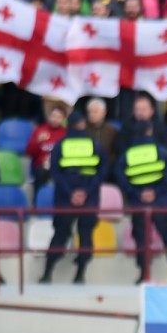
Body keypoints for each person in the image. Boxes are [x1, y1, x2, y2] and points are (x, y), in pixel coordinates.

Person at [40, 112, 108, 284]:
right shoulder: (94, 145)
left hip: (65, 197)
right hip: (88, 197)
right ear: (83, 125)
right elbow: (102, 172)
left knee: (60, 235)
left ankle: (47, 274)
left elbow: (55, 172)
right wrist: (85, 192)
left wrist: (71, 193)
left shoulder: (60, 145)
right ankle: (79, 275)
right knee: (85, 236)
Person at [115, 117, 167, 283]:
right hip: (161, 200)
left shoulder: (127, 155)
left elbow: (121, 177)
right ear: (150, 132)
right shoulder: (160, 151)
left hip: (138, 202)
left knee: (141, 240)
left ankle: (143, 275)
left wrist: (138, 194)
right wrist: (156, 192)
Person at [25, 106, 68, 203]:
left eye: (58, 117)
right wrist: (38, 142)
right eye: (53, 116)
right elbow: (29, 152)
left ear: (63, 119)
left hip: (60, 165)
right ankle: (37, 204)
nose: (55, 119)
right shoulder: (40, 130)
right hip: (42, 165)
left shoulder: (66, 133)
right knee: (40, 173)